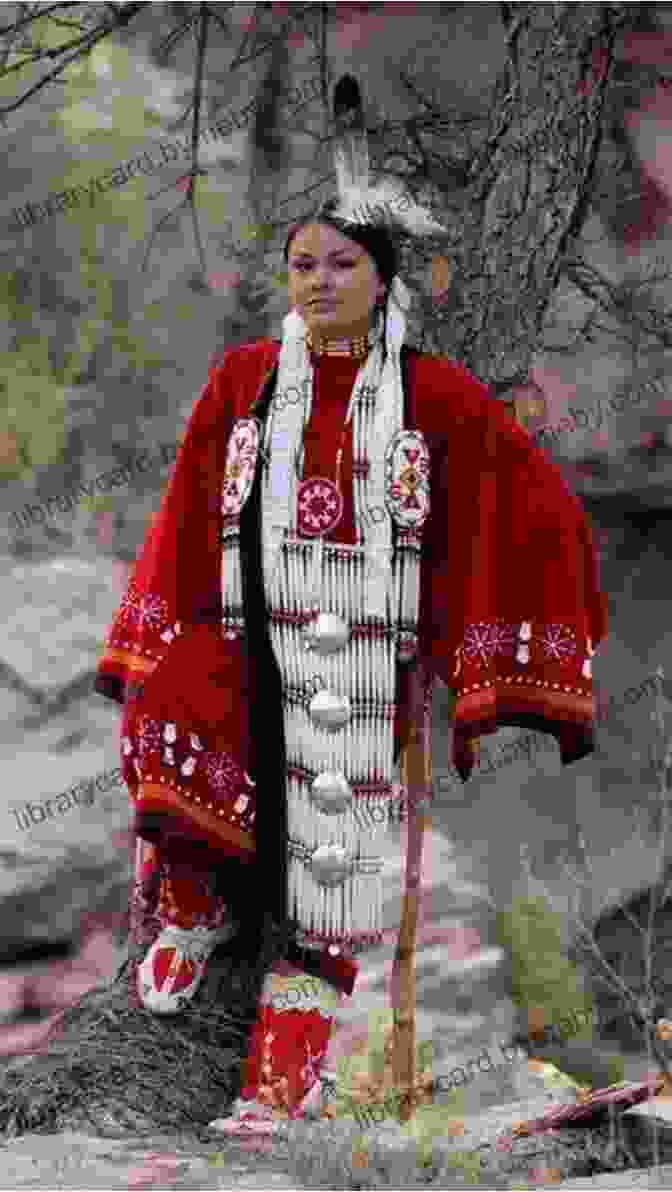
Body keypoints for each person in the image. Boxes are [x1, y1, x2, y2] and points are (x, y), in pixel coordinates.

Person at [94, 82, 607, 1133]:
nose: (318, 281)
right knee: (171, 717)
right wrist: (158, 621)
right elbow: (191, 509)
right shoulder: (244, 379)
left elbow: (536, 508)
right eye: (302, 265)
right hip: (244, 640)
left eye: (341, 265)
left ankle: (276, 1099)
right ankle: (190, 913)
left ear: (381, 281)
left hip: (363, 671)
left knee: (330, 888)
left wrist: (488, 648)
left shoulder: (435, 398)